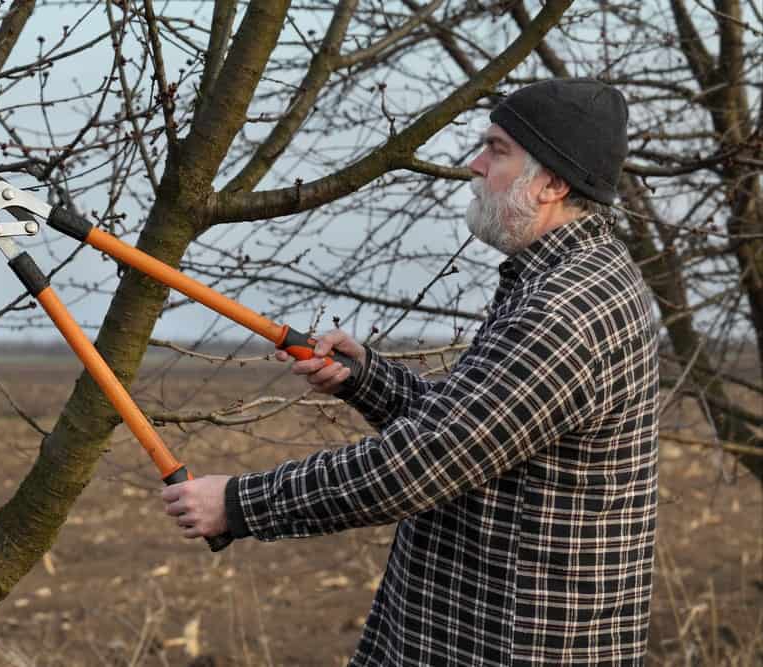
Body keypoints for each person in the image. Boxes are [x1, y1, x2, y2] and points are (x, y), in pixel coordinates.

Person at [162, 78, 658, 666]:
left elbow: (426, 461)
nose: (474, 165)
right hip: (469, 628)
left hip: (513, 643)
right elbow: (474, 429)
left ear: (552, 182)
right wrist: (365, 379)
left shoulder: (567, 308)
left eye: (497, 150)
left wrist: (240, 503)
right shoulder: (558, 279)